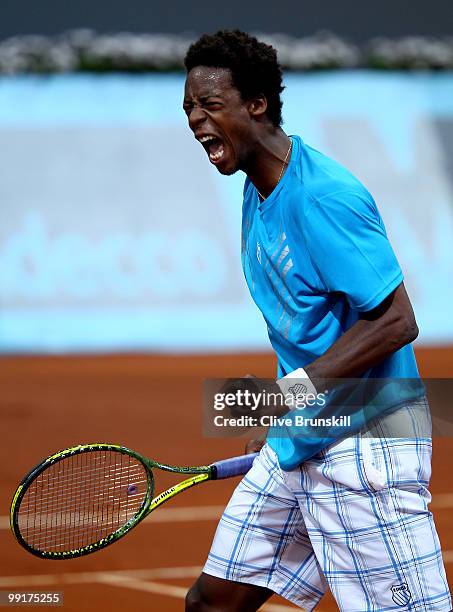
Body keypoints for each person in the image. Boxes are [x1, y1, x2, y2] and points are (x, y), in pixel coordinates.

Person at [182, 30, 451, 611]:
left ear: (257, 103)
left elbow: (395, 322)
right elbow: (308, 323)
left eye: (210, 105)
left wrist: (290, 395)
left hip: (368, 448)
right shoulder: (258, 190)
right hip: (304, 439)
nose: (196, 120)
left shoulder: (322, 196)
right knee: (212, 602)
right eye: (188, 109)